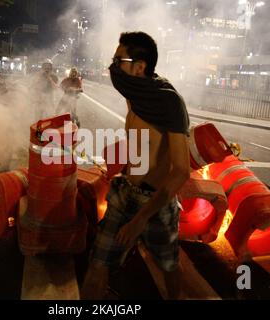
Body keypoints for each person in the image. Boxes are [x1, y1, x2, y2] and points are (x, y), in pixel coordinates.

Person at [81, 32, 190, 300]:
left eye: (119, 60)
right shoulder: (135, 93)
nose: (113, 66)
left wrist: (141, 219)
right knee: (98, 263)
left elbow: (181, 171)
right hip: (124, 192)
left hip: (156, 202)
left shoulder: (168, 102)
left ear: (139, 66)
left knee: (168, 266)